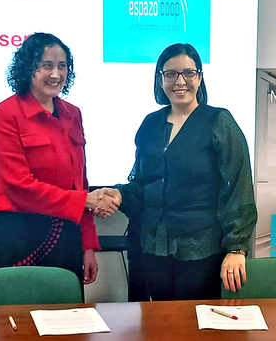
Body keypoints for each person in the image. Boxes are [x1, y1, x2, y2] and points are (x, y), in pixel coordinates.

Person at [100, 43, 257, 301]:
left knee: (196, 321)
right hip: (152, 249)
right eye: (171, 74)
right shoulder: (150, 124)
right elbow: (144, 184)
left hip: (202, 250)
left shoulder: (220, 122)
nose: (180, 81)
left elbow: (239, 187)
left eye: (188, 73)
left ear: (200, 77)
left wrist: (237, 248)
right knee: (158, 320)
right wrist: (119, 195)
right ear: (160, 79)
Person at [0, 32, 119, 288]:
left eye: (62, 66)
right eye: (47, 65)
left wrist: (88, 246)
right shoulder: (4, 114)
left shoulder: (72, 114)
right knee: (15, 311)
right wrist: (84, 201)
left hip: (67, 236)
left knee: (67, 310)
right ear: (28, 68)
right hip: (19, 236)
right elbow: (17, 186)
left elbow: (80, 183)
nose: (56, 74)